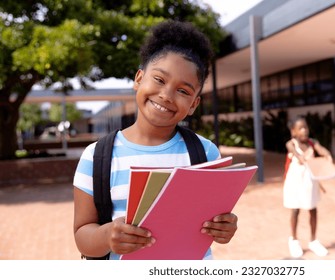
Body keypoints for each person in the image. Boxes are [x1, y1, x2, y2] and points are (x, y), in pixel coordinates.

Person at [73, 20, 238, 260]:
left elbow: (214, 221)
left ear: (193, 104)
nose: (166, 95)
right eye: (159, 79)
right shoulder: (96, 156)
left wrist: (225, 227)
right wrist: (108, 235)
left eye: (183, 91)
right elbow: (82, 236)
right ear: (139, 78)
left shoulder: (205, 153)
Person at [283, 116, 332, 257]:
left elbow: (322, 150)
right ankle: (293, 240)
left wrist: (327, 155)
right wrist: (302, 157)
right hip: (296, 183)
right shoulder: (291, 144)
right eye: (300, 128)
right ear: (293, 132)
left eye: (306, 127)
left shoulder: (313, 143)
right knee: (295, 211)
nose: (304, 130)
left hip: (310, 182)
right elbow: (297, 155)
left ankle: (313, 240)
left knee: (313, 209)